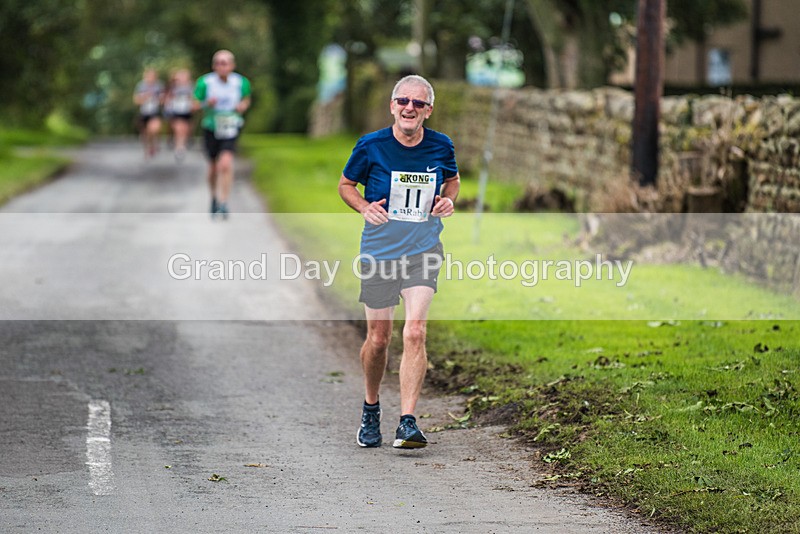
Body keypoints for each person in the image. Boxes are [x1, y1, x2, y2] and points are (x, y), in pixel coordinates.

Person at [338, 75, 460, 449]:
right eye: (403, 101)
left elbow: (452, 181)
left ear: (428, 111)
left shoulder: (441, 145)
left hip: (423, 250)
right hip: (379, 251)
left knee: (415, 331)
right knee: (378, 339)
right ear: (392, 106)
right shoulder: (371, 145)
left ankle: (407, 421)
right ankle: (371, 407)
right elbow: (346, 185)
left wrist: (447, 200)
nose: (410, 108)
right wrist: (363, 207)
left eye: (418, 103)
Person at [193, 50, 251, 219]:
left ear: (232, 65)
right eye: (218, 63)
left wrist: (242, 106)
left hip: (231, 126)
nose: (221, 66)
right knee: (213, 166)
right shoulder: (205, 82)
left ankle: (224, 202)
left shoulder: (241, 82)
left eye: (225, 63)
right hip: (211, 127)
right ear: (213, 66)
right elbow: (194, 105)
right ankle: (213, 197)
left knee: (225, 164)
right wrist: (206, 103)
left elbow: (246, 99)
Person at [163, 68, 195, 162]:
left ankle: (183, 143)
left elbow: (196, 98)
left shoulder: (191, 86)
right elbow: (167, 99)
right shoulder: (172, 88)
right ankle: (179, 148)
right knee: (178, 129)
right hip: (176, 112)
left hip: (187, 111)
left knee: (185, 129)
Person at [133, 68, 164, 158]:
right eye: (149, 76)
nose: (151, 78)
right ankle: (148, 148)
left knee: (154, 129)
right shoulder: (140, 85)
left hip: (155, 112)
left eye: (153, 76)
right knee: (145, 133)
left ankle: (154, 144)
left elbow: (163, 99)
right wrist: (145, 98)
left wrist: (157, 99)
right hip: (144, 112)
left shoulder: (159, 86)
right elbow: (136, 100)